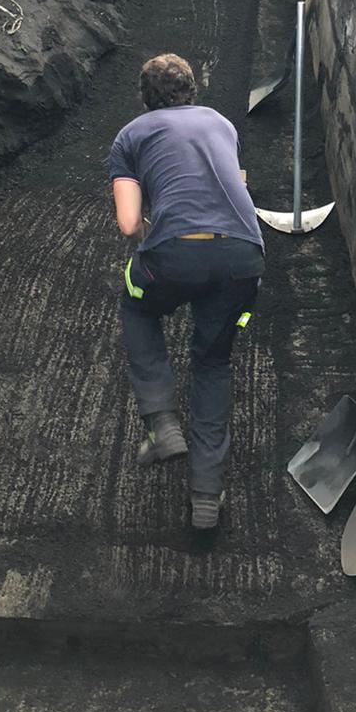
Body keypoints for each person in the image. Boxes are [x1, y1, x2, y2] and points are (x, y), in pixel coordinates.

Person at [109, 54, 264, 530]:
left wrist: (154, 235)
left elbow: (130, 222)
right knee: (213, 362)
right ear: (192, 91)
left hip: (177, 254)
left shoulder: (132, 135)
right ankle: (205, 499)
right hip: (244, 256)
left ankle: (162, 424)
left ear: (144, 97)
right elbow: (234, 183)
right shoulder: (220, 123)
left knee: (135, 303)